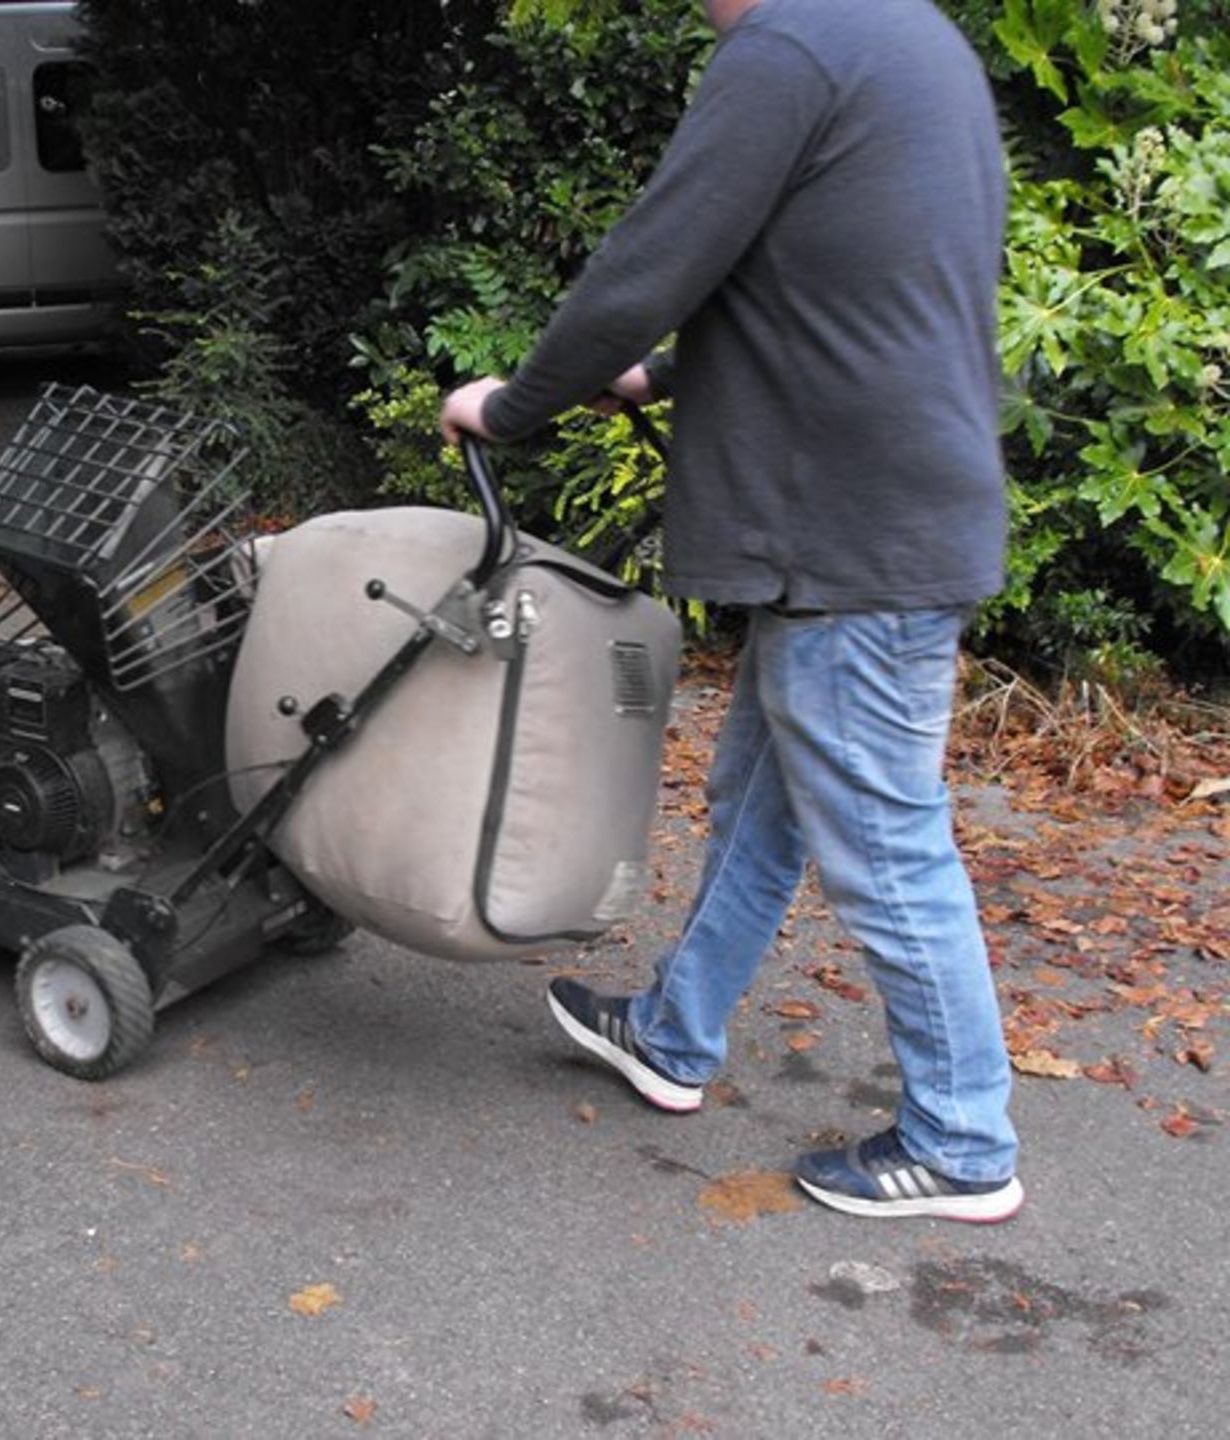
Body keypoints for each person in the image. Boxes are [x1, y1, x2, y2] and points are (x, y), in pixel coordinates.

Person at [439, 0, 1022, 1222]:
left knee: (887, 847)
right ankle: (673, 1032)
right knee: (760, 807)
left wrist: (514, 407)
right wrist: (652, 380)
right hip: (873, 522)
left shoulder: (791, 47)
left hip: (848, 539)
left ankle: (965, 1142)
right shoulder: (901, 36)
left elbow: (653, 263)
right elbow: (838, 287)